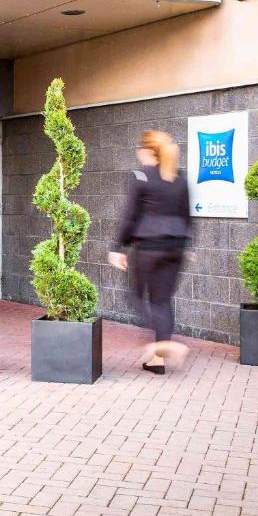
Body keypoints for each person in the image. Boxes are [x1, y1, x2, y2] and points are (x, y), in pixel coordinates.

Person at [108, 130, 192, 374]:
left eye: (139, 149)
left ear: (147, 152)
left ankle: (164, 344)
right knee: (162, 301)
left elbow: (130, 216)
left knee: (135, 296)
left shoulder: (140, 176)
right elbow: (187, 216)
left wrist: (117, 248)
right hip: (176, 246)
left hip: (148, 246)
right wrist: (187, 247)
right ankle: (157, 360)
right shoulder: (180, 178)